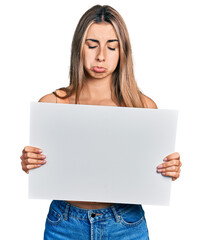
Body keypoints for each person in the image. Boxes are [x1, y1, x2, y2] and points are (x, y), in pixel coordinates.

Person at [20, 5, 182, 240]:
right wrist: (29, 161)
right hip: (65, 224)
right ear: (79, 47)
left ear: (122, 51)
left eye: (112, 46)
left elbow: (153, 173)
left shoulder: (143, 106)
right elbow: (42, 166)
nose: (101, 56)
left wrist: (169, 169)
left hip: (125, 223)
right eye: (92, 45)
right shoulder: (52, 103)